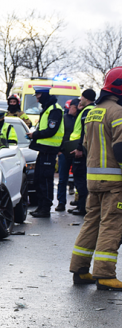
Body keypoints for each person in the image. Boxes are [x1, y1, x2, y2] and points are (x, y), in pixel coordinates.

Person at [69, 67, 122, 290]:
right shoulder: (117, 112)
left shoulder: (92, 111)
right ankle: (105, 275)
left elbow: (87, 145)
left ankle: (80, 270)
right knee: (112, 225)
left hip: (94, 180)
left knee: (91, 223)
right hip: (115, 182)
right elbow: (120, 149)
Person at [26, 85, 64, 218]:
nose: (36, 98)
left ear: (44, 94)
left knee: (46, 180)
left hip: (49, 150)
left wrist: (34, 135)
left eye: (38, 95)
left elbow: (51, 130)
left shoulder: (54, 110)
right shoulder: (48, 108)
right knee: (39, 179)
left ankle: (45, 208)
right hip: (43, 149)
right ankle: (41, 207)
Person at [67, 89, 97, 216]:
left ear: (86, 98)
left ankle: (82, 207)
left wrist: (79, 148)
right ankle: (81, 205)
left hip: (81, 149)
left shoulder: (87, 111)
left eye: (82, 97)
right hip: (81, 147)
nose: (80, 99)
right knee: (80, 178)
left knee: (80, 178)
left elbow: (85, 131)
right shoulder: (86, 110)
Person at [55, 99, 79, 211]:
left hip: (77, 153)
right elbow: (58, 135)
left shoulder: (80, 118)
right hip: (64, 152)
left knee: (78, 178)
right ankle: (61, 202)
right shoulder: (64, 119)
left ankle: (79, 201)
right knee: (62, 179)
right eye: (74, 107)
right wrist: (59, 151)